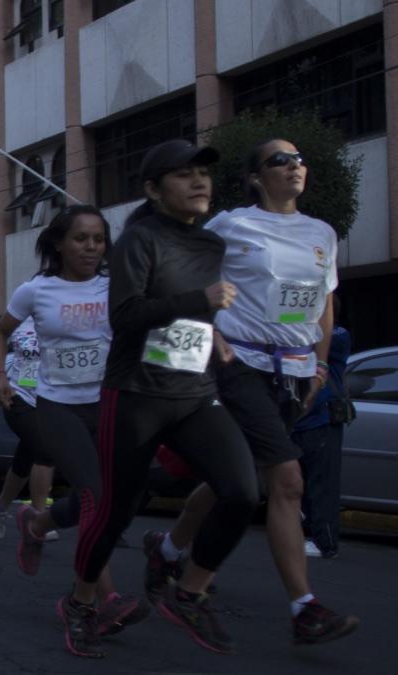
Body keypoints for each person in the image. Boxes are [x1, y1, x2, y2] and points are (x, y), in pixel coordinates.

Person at [151, 139, 358, 645]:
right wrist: (210, 333)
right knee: (287, 480)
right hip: (240, 362)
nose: (294, 167)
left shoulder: (322, 234)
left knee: (245, 478)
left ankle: (170, 549)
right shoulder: (230, 225)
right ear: (256, 178)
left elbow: (323, 303)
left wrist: (322, 366)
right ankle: (301, 607)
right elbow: (189, 277)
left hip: (297, 371)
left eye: (300, 159)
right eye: (280, 161)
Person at [66, 139, 259, 657]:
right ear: (153, 189)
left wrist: (210, 328)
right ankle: (83, 602)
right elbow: (125, 315)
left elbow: (193, 312)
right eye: (183, 175)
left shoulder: (211, 246)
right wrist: (201, 301)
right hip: (135, 395)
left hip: (194, 392)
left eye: (203, 173)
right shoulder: (138, 240)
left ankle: (190, 590)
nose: (199, 182)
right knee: (115, 511)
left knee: (242, 489)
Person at [0, 205, 148, 641]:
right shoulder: (36, 291)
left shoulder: (117, 286)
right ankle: (100, 597)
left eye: (98, 239)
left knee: (116, 499)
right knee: (96, 497)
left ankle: (36, 524)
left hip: (110, 405)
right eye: (81, 238)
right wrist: (1, 377)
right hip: (57, 407)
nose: (91, 247)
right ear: (59, 243)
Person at [0, 317, 56, 540]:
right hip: (17, 398)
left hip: (49, 401)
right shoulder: (20, 320)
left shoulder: (61, 321)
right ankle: (38, 518)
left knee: (26, 458)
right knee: (43, 449)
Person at [294, 295, 350, 559]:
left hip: (324, 419)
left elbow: (314, 344)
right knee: (300, 484)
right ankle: (308, 534)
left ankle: (325, 541)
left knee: (322, 484)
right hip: (301, 420)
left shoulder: (338, 335)